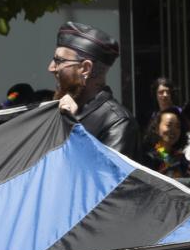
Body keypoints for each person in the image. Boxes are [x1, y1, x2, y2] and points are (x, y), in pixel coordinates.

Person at [49, 21, 138, 159]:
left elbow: (102, 172)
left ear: (85, 68)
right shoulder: (60, 110)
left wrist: (70, 124)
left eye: (59, 61)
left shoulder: (117, 122)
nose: (51, 68)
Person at [142, 107, 190, 179]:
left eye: (178, 126)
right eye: (168, 125)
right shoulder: (149, 156)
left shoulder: (180, 158)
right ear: (156, 128)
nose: (173, 130)